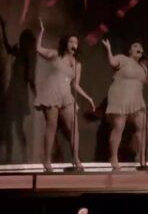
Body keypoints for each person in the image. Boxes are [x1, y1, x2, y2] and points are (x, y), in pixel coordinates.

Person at [34, 19, 95, 172]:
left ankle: (76, 159)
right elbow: (38, 49)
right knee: (52, 125)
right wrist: (41, 32)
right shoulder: (56, 55)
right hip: (52, 93)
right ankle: (47, 160)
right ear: (66, 44)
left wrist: (88, 98)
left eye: (76, 42)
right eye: (71, 41)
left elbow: (75, 85)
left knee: (74, 127)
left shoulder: (77, 64)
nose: (74, 44)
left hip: (66, 95)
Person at [101, 39, 148, 170]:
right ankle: (113, 157)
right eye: (135, 46)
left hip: (136, 99)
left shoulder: (143, 67)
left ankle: (141, 158)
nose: (139, 48)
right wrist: (109, 50)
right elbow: (112, 62)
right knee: (119, 127)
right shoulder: (123, 59)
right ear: (130, 50)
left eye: (140, 47)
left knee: (143, 126)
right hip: (120, 96)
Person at [0, 16, 36, 163]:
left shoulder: (27, 56)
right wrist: (3, 28)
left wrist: (38, 95)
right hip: (13, 93)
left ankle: (24, 158)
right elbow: (8, 47)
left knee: (17, 127)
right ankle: (11, 157)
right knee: (9, 126)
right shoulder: (19, 52)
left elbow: (30, 79)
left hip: (19, 94)